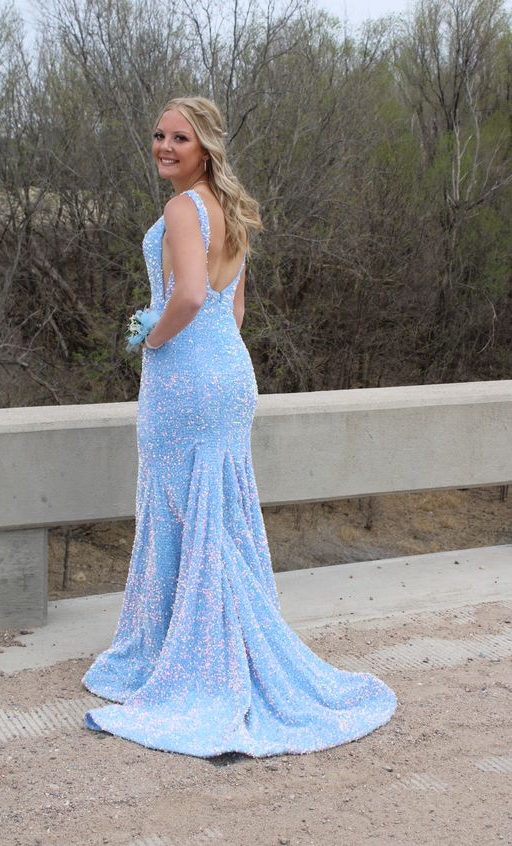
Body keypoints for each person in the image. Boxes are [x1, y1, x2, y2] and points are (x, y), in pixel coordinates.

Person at [81, 95, 397, 757]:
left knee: (179, 510)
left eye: (180, 138)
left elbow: (192, 295)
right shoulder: (230, 211)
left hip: (186, 378)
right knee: (215, 516)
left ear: (205, 148)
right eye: (159, 135)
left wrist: (152, 339)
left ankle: (188, 661)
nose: (164, 146)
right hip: (228, 373)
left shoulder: (181, 209)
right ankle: (215, 645)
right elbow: (235, 310)